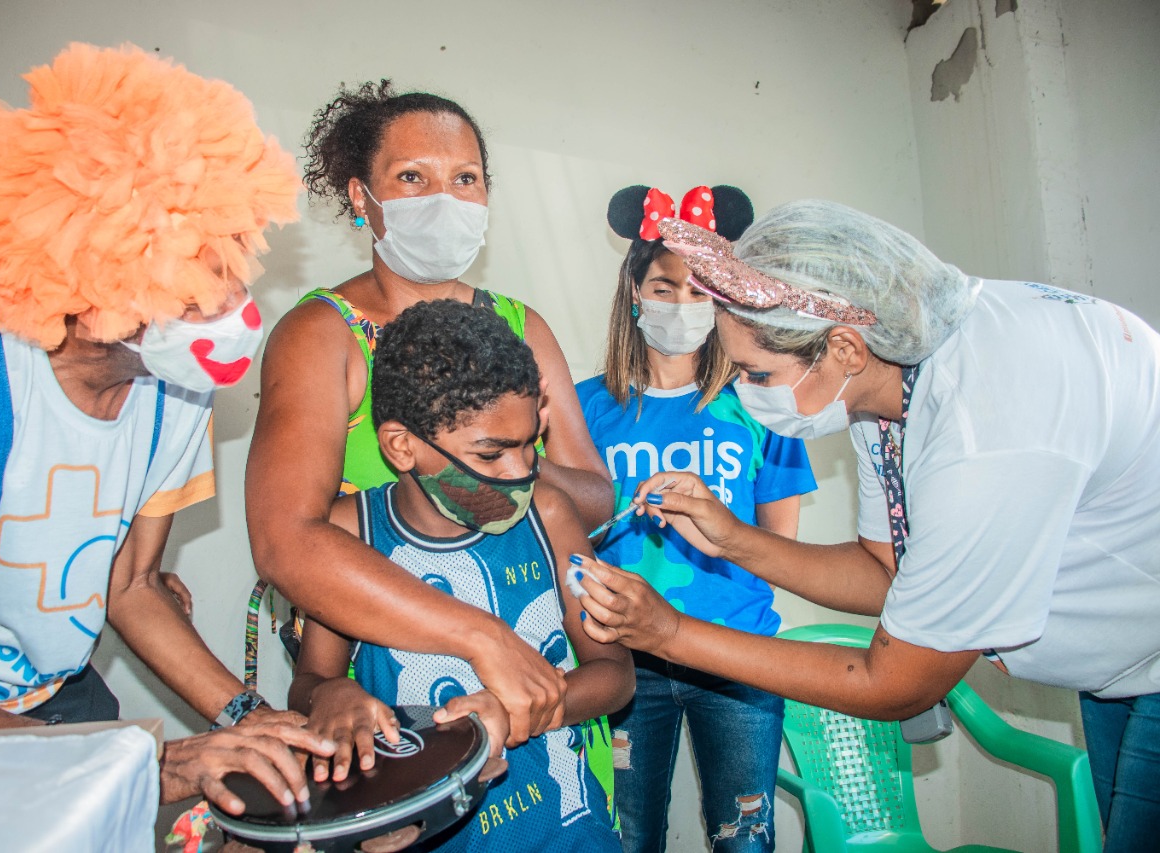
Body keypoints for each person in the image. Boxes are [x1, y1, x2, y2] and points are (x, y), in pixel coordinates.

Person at [574, 199, 1160, 852]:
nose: (742, 387)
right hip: (1120, 665)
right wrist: (731, 536)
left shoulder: (986, 427)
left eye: (756, 373)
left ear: (844, 346)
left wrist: (672, 631)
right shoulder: (884, 390)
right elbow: (886, 574)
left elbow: (895, 684)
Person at [0, 43, 335, 817]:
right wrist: (131, 764)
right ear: (98, 271)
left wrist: (255, 722)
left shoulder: (175, 393)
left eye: (230, 267)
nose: (234, 311)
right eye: (197, 283)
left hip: (62, 702)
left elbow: (131, 586)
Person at [247, 80, 613, 746]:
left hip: (536, 675)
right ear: (363, 198)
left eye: (465, 178)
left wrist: (500, 457)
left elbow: (594, 498)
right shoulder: (322, 334)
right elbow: (284, 541)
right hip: (386, 689)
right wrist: (477, 636)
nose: (445, 199)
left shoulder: (520, 327)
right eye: (413, 177)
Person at [288, 299, 632, 851]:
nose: (519, 473)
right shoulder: (349, 537)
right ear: (403, 447)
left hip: (568, 831)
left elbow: (615, 673)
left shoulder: (550, 514)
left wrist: (533, 710)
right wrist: (332, 695)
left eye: (528, 446)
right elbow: (310, 681)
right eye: (491, 454)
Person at [577, 185, 815, 852]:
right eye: (664, 285)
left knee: (746, 840)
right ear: (634, 293)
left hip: (741, 657)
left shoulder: (765, 402)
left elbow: (780, 549)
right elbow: (563, 533)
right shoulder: (580, 407)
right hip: (624, 661)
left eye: (699, 289)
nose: (682, 304)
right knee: (625, 838)